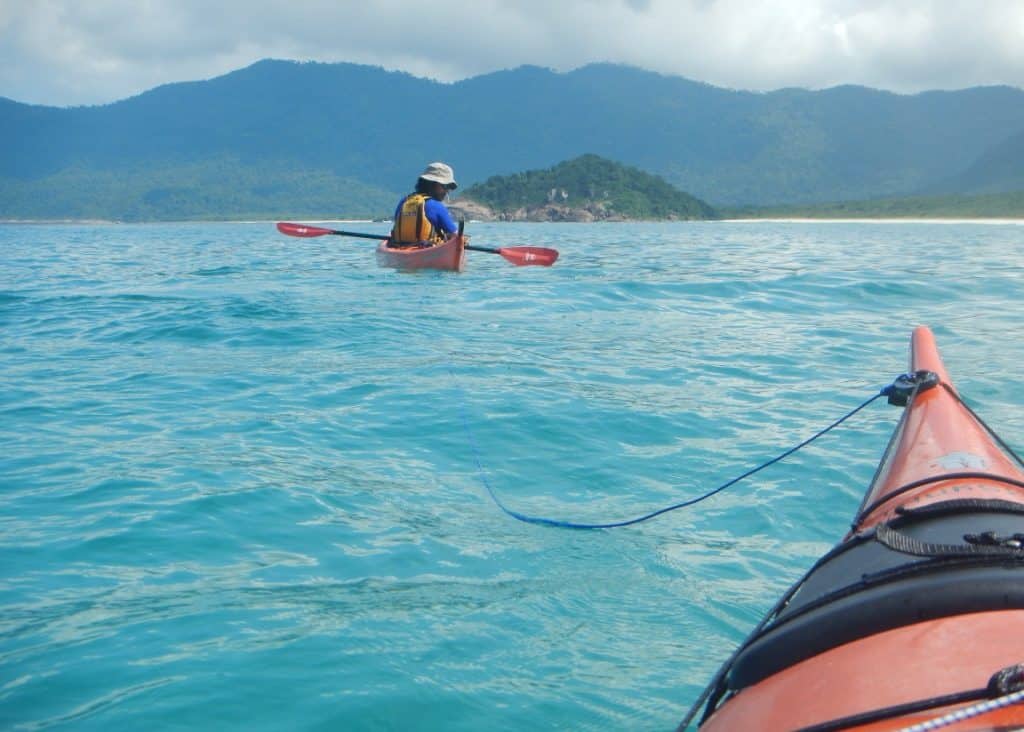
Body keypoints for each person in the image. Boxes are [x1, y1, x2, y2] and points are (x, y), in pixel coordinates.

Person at [390, 162, 463, 248]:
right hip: (427, 251)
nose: (447, 191)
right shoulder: (437, 207)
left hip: (399, 248)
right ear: (433, 184)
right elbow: (456, 236)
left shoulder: (404, 201)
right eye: (445, 186)